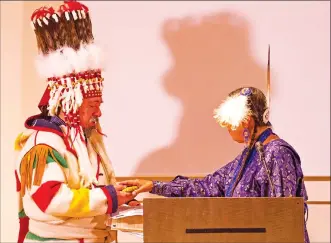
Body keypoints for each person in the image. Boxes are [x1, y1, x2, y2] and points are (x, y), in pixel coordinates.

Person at [120, 86, 310, 243]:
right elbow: (207, 187)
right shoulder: (248, 156)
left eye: (230, 123)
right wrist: (155, 186)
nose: (227, 128)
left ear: (247, 122)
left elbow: (285, 217)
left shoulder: (277, 153)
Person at [14, 1, 137, 242]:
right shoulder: (44, 145)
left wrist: (120, 200)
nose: (98, 113)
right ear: (71, 103)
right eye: (93, 106)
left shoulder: (85, 140)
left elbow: (93, 188)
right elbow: (50, 198)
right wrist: (109, 197)